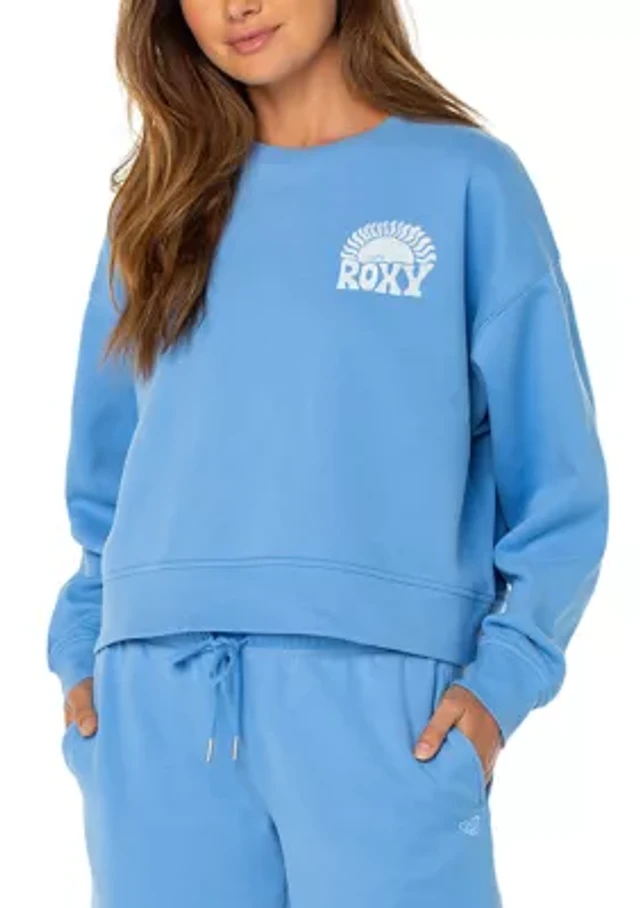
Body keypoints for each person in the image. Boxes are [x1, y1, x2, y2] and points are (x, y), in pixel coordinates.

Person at [47, 1, 609, 906]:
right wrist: (84, 653)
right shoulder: (156, 207)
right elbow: (105, 484)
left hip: (387, 710)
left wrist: (503, 682)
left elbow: (558, 487)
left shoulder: (466, 183)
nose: (235, 6)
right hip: (153, 709)